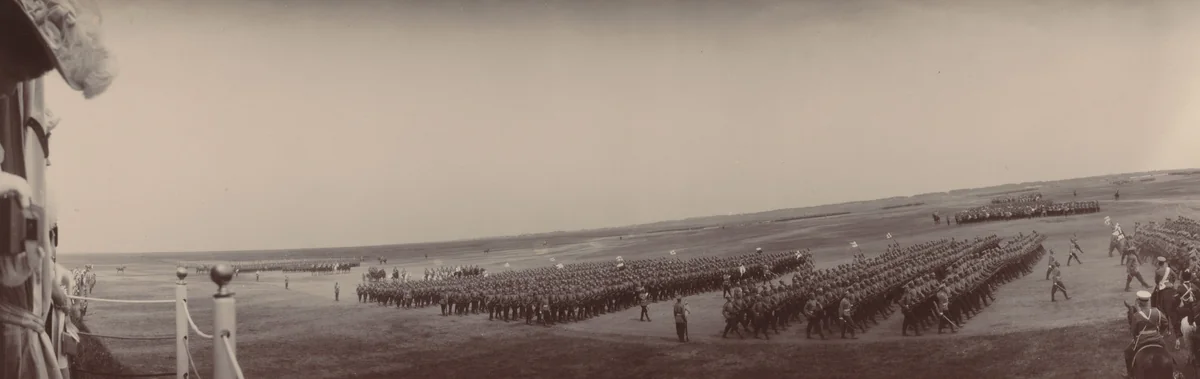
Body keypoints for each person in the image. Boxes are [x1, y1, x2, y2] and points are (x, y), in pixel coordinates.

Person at [1125, 291, 1170, 378]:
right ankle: (1175, 371)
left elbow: (1133, 331)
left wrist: (1135, 338)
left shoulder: (1136, 316)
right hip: (1157, 338)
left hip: (1142, 340)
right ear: (1148, 300)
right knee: (1167, 352)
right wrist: (1160, 333)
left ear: (1139, 302)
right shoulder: (1157, 312)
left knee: (1127, 352)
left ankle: (1129, 374)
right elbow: (1165, 323)